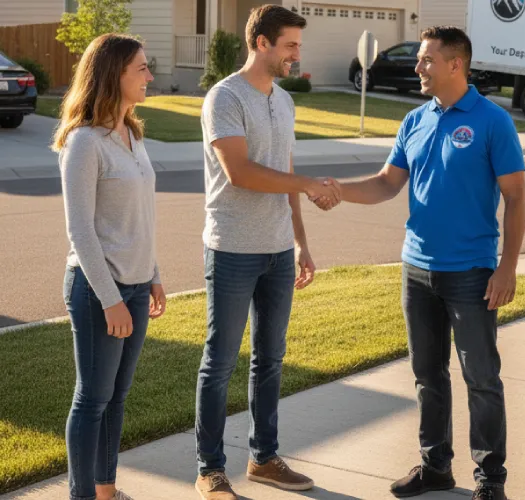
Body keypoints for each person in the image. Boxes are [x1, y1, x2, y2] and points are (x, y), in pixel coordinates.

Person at [326, 25, 525, 500]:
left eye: (426, 60)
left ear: (456, 64)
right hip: (416, 269)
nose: (418, 67)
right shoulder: (415, 120)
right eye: (419, 59)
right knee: (426, 374)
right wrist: (340, 191)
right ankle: (435, 465)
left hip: (472, 271)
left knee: (480, 377)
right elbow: (386, 183)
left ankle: (490, 480)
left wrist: (508, 267)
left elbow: (516, 198)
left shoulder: (492, 121)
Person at [193, 5, 340, 500]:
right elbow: (242, 173)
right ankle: (210, 469)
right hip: (233, 249)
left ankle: (264, 458)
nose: (297, 53)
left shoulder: (283, 100)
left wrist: (301, 242)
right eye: (290, 45)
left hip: (278, 251)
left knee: (270, 359)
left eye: (298, 44)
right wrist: (306, 182)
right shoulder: (224, 97)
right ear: (261, 43)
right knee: (220, 362)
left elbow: (283, 173)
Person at [53, 33, 167, 500]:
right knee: (92, 399)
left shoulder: (132, 135)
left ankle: (106, 491)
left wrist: (154, 274)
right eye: (141, 67)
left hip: (137, 287)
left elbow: (139, 218)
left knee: (117, 398)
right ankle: (82, 495)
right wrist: (112, 299)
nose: (149, 75)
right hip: (99, 288)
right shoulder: (84, 142)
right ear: (113, 74)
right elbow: (80, 231)